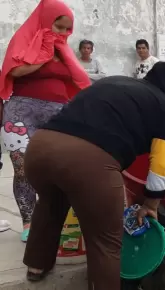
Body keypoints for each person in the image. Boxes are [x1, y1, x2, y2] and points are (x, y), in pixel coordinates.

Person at [22, 62, 165, 290]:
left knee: (51, 203)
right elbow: (163, 163)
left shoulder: (115, 83)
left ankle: (36, 266)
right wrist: (151, 202)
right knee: (106, 240)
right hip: (87, 162)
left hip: (39, 148)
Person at [0, 0, 90, 242]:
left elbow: (76, 79)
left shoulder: (63, 49)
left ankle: (54, 220)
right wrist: (44, 53)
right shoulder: (24, 40)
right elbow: (14, 70)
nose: (62, 34)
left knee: (60, 170)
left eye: (66, 30)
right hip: (21, 114)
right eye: (58, 27)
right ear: (45, 20)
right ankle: (29, 222)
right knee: (22, 170)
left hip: (58, 115)